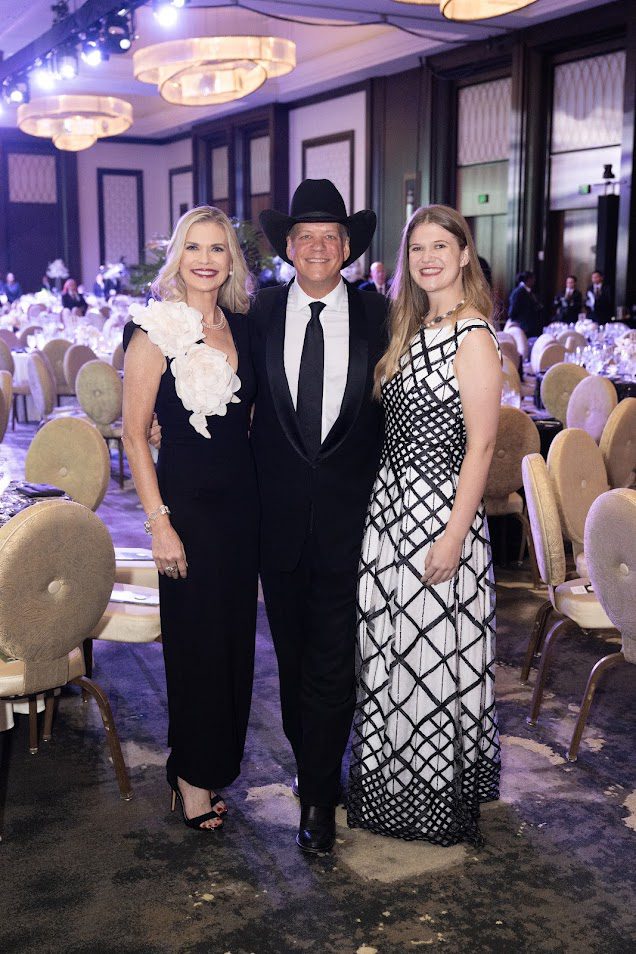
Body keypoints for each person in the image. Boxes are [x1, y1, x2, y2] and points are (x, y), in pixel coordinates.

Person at [347, 205, 502, 846]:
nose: (428, 257)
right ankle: (393, 788)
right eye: (418, 248)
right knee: (392, 651)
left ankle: (432, 798)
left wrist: (454, 535)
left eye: (442, 245)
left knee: (431, 654)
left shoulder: (472, 335)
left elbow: (484, 446)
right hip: (390, 512)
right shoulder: (411, 327)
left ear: (466, 253)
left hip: (441, 514)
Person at [251, 179, 387, 853]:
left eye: (329, 237)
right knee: (295, 658)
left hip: (349, 523)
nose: (316, 247)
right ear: (287, 247)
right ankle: (318, 774)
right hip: (275, 528)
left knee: (332, 665)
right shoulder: (261, 312)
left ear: (347, 249)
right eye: (304, 236)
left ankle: (316, 800)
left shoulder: (378, 317)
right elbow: (222, 386)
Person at [122, 206, 258, 832]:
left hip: (241, 509)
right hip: (186, 509)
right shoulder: (154, 327)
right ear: (177, 255)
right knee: (195, 647)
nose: (206, 259)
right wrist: (159, 522)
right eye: (194, 247)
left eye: (219, 249)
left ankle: (212, 764)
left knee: (232, 647)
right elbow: (131, 433)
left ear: (232, 261)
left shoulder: (242, 327)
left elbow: (248, 421)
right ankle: (189, 776)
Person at [508, 270, 542, 338]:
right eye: (533, 279)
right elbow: (513, 310)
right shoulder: (518, 292)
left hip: (529, 326)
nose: (534, 281)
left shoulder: (529, 291)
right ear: (528, 279)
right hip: (523, 326)